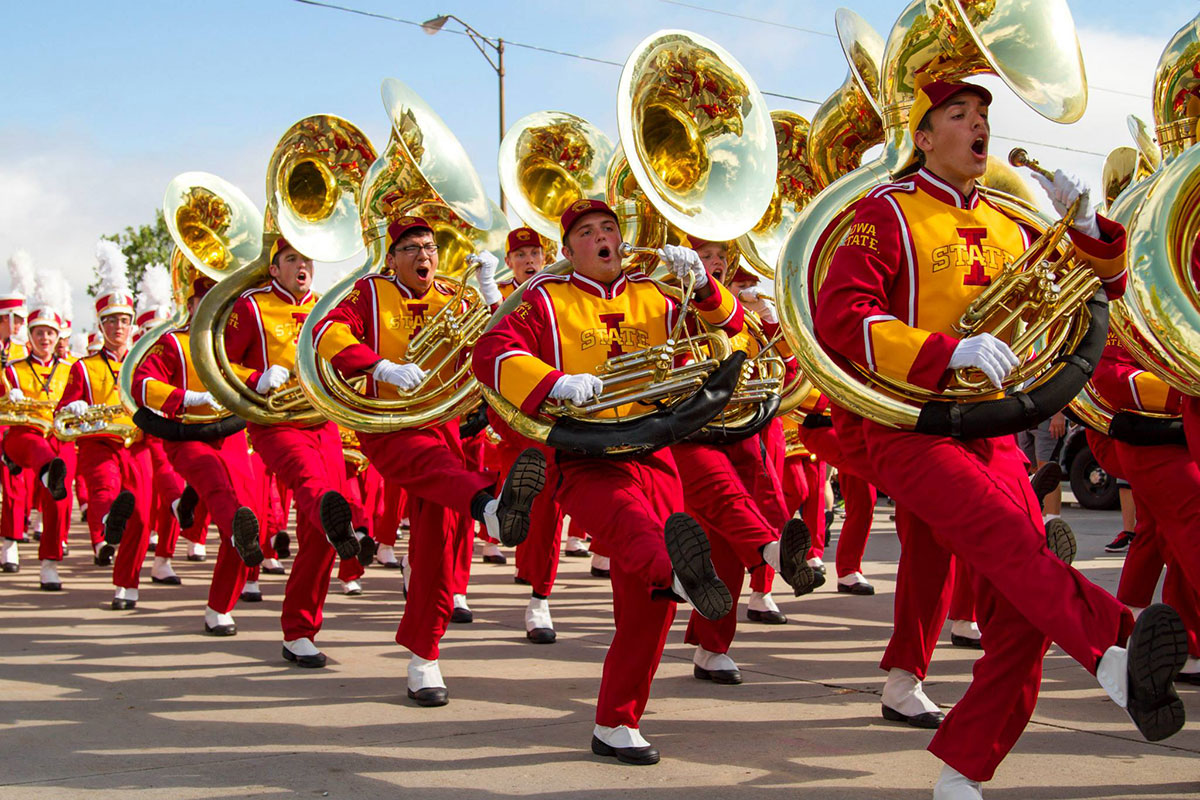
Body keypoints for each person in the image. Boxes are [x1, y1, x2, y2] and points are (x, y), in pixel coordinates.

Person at [813, 78, 1187, 798]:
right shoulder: (882, 213)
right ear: (923, 137)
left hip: (994, 433)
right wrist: (942, 351)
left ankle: (963, 773)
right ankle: (1117, 643)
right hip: (914, 426)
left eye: (983, 114)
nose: (978, 124)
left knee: (1022, 607)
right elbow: (841, 317)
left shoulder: (1013, 219)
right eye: (959, 115)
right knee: (1014, 549)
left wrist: (1084, 221)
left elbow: (1102, 286)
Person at [473, 199, 807, 764]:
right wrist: (552, 382)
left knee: (649, 604)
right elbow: (490, 352)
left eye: (609, 228)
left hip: (655, 447)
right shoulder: (543, 298)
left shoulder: (658, 294)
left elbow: (734, 328)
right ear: (569, 248)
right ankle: (689, 571)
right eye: (587, 232)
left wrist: (702, 285)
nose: (603, 238)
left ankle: (616, 722)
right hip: (583, 455)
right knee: (635, 531)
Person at [312, 215, 545, 706]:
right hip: (389, 423)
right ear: (392, 255)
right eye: (413, 247)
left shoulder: (451, 294)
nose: (425, 256)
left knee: (439, 547)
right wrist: (380, 365)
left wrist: (487, 292)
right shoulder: (368, 292)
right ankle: (489, 508)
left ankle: (425, 656)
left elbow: (498, 340)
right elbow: (326, 334)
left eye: (431, 247)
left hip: (442, 423)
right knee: (442, 477)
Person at [224, 235, 366, 667]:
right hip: (275, 422)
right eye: (291, 258)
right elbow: (217, 362)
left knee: (321, 537)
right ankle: (332, 516)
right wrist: (256, 377)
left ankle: (299, 631)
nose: (302, 265)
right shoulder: (250, 306)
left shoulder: (327, 308)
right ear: (274, 268)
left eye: (306, 257)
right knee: (315, 489)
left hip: (324, 424)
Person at [131, 275, 260, 622]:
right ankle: (195, 500)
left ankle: (220, 606)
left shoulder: (233, 341)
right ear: (189, 305)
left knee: (247, 514)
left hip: (231, 434)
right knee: (225, 502)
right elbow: (141, 383)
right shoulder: (173, 341)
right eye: (205, 300)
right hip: (187, 435)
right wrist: (184, 397)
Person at [58, 245, 155, 601]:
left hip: (138, 444)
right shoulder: (83, 366)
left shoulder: (143, 363)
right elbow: (63, 411)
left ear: (132, 324)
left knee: (142, 519)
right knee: (103, 494)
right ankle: (105, 532)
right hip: (98, 444)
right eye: (111, 320)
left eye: (124, 319)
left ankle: (126, 584)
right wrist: (77, 404)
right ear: (101, 326)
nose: (119, 326)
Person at [2, 287, 72, 590]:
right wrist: (7, 393)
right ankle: (10, 542)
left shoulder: (72, 369)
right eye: (39, 332)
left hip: (60, 436)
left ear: (57, 337)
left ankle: (49, 563)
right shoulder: (13, 371)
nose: (45, 339)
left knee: (59, 497)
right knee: (16, 490)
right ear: (29, 336)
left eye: (50, 333)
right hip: (25, 435)